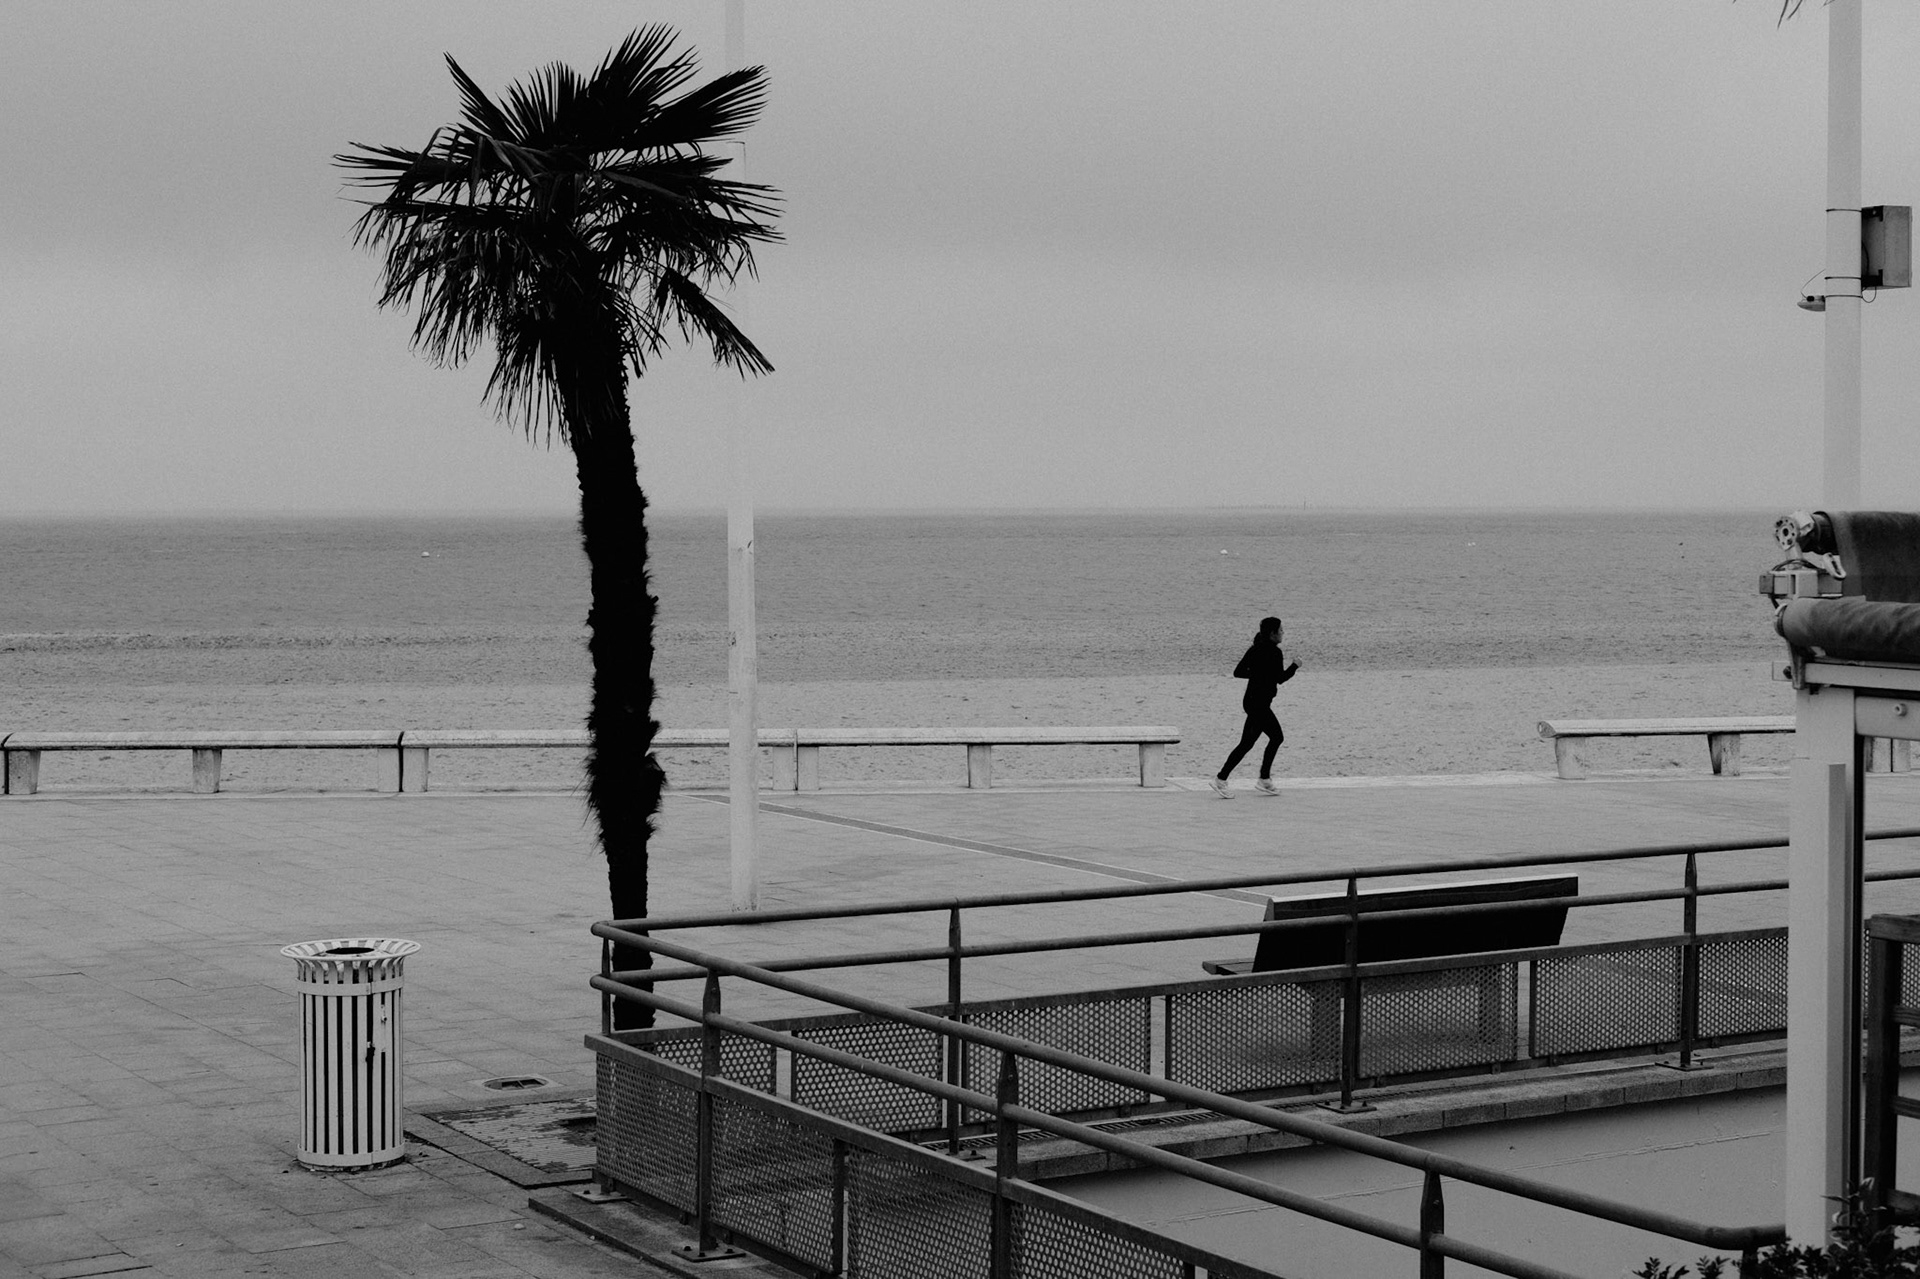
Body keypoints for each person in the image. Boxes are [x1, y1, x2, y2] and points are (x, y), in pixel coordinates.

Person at [1212, 616, 1299, 798]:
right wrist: (1295, 666)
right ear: (1272, 633)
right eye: (1281, 630)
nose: (1283, 633)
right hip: (1258, 704)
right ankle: (1260, 779)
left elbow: (1240, 672)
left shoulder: (1255, 648)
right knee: (1276, 737)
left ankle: (1227, 778)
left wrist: (1258, 674)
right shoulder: (1275, 652)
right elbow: (1279, 678)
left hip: (1252, 701)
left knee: (1248, 743)